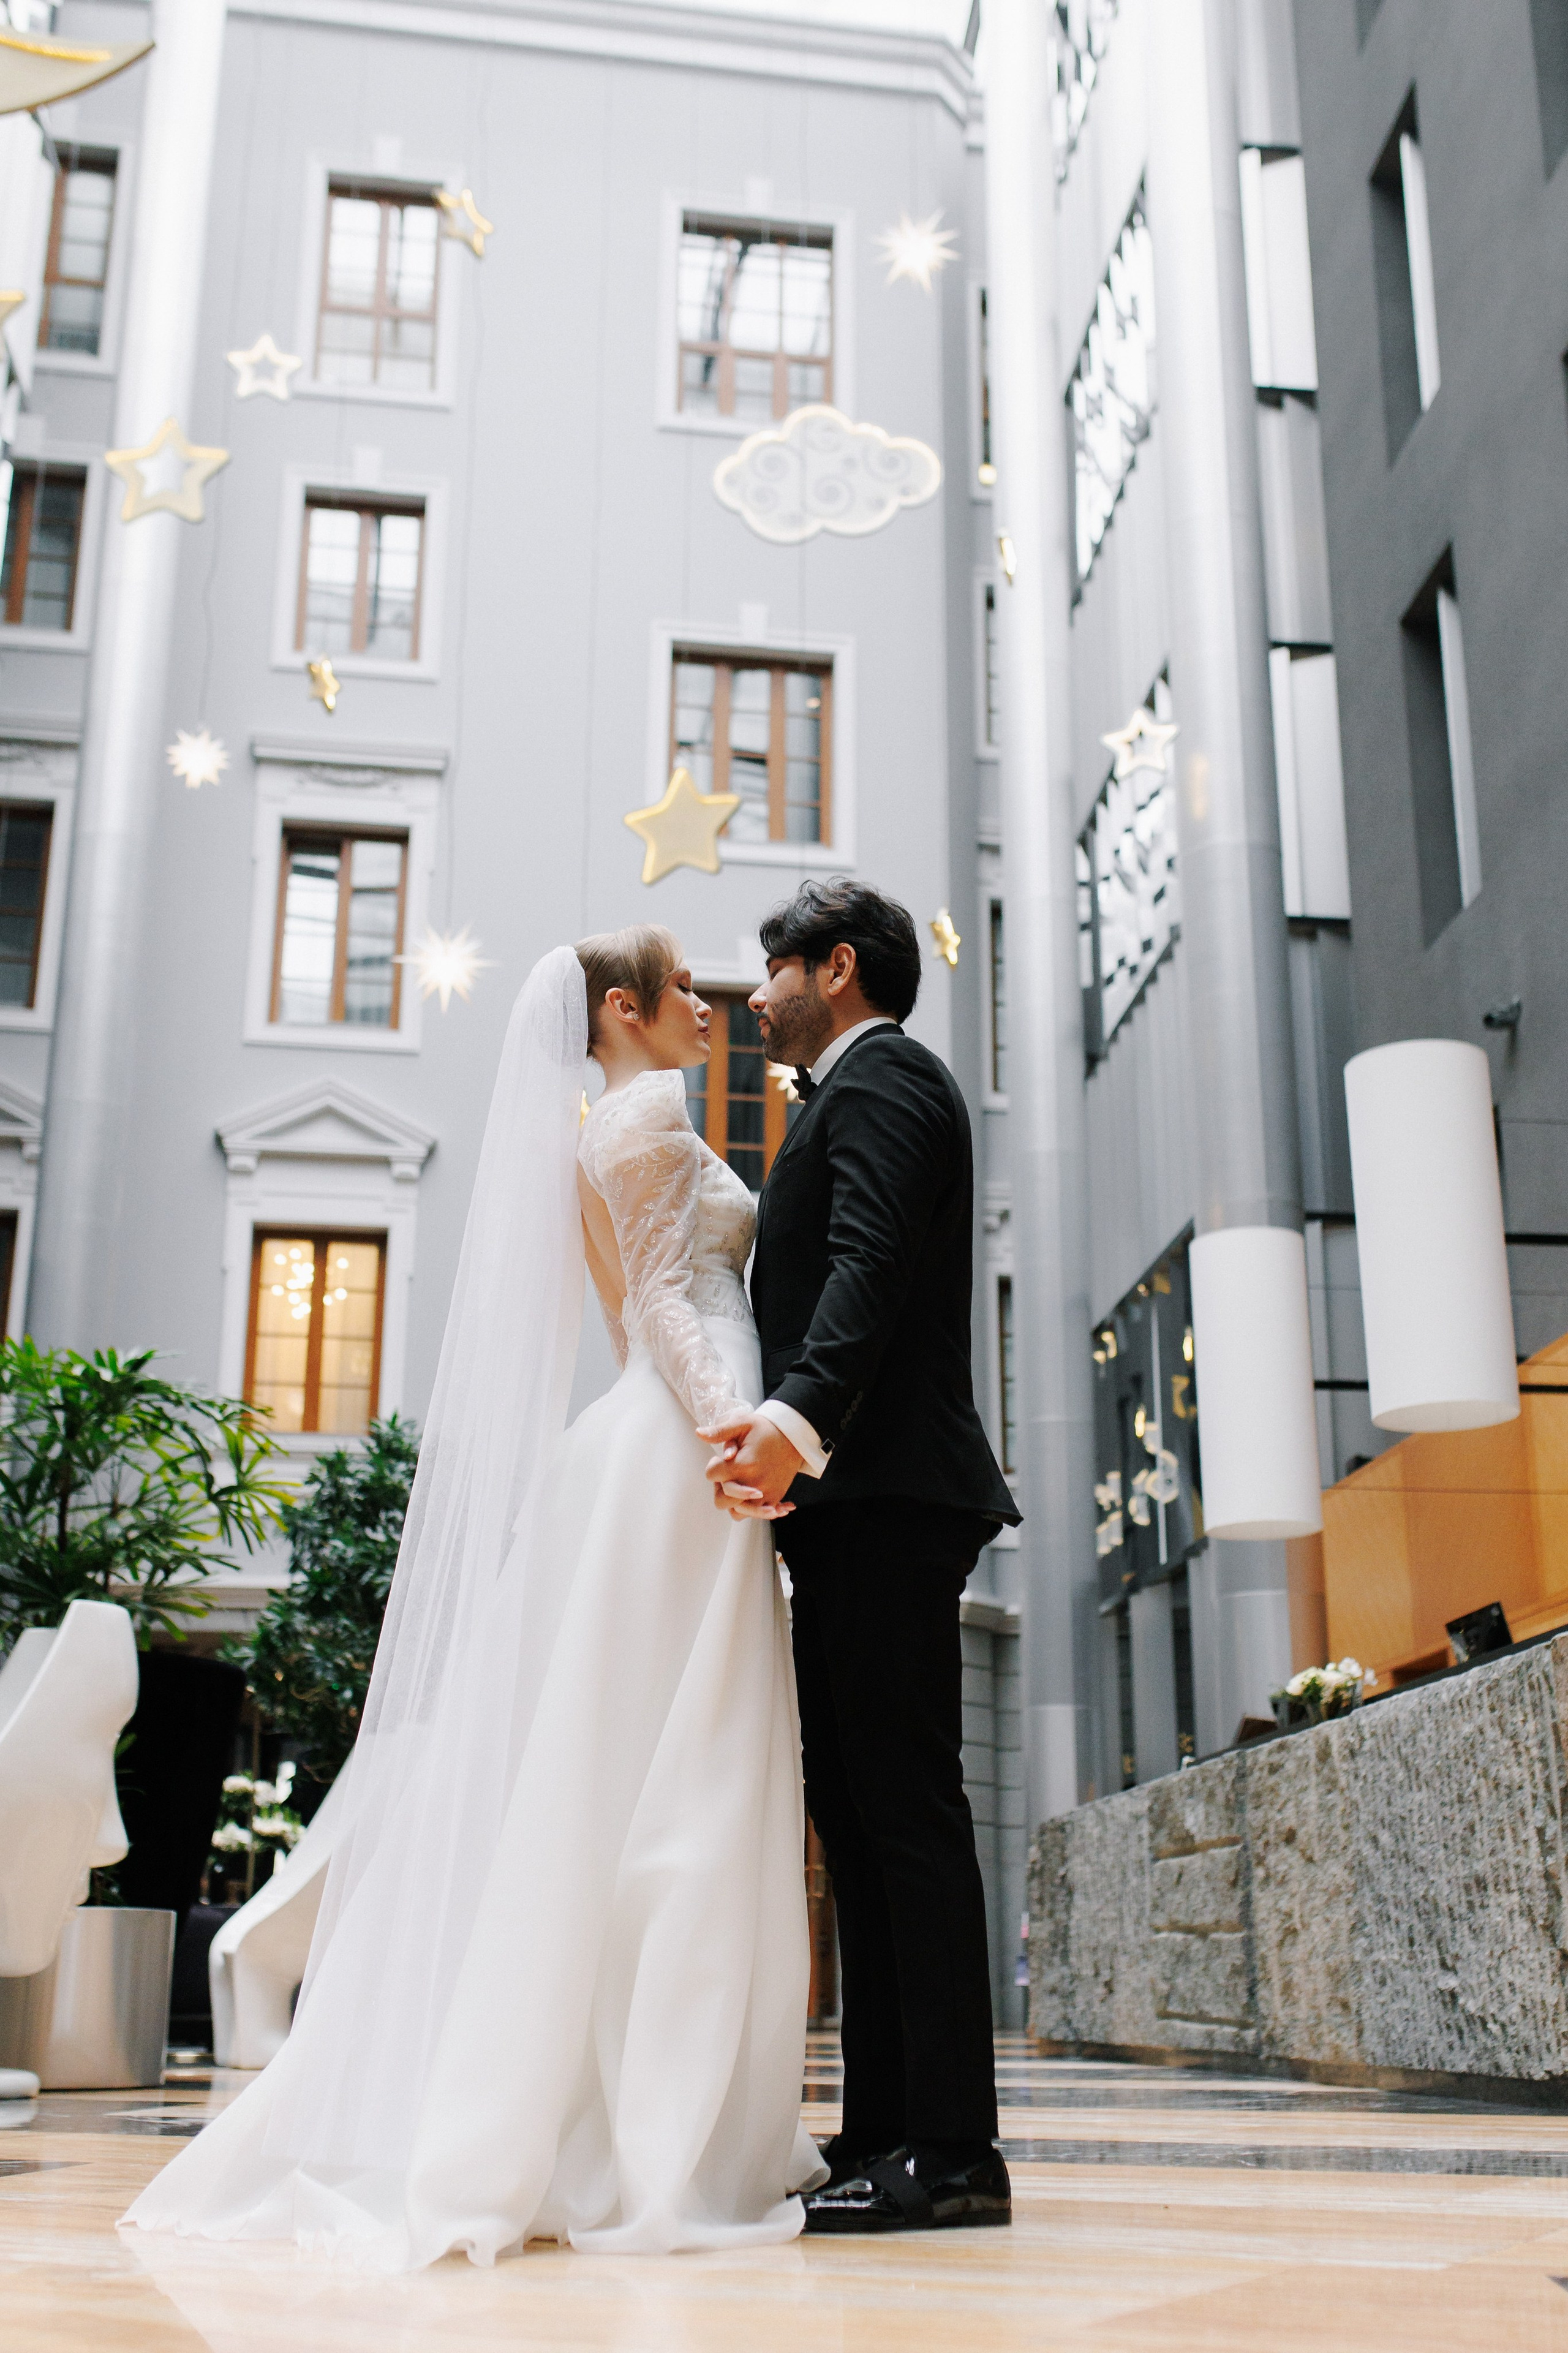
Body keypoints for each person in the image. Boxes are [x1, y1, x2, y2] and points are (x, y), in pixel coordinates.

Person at [124, 932, 823, 2267]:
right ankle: (655, 2132)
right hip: (687, 1456)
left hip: (659, 1451)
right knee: (683, 1781)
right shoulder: (644, 1115)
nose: (704, 1008)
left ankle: (636, 2111)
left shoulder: (596, 1133)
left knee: (635, 1777)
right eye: (681, 990)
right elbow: (668, 1314)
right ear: (620, 1010)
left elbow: (639, 1309)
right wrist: (737, 1434)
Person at [701, 877, 1021, 2235]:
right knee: (861, 1817)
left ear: (834, 968)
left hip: (884, 1489)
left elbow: (871, 1261)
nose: (748, 994)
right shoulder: (845, 1088)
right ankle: (884, 2127)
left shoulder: (886, 1078)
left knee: (903, 1811)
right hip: (853, 1501)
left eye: (766, 970)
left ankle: (951, 2147)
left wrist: (792, 1419)